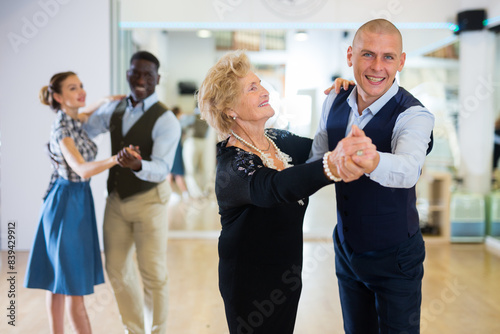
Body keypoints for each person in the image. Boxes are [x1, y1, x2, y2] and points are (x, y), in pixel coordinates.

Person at [196, 51, 365, 334]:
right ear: (230, 108)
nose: (265, 91)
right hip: (249, 283)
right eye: (253, 88)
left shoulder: (278, 139)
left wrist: (346, 101)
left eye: (261, 83)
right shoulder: (232, 164)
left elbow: (326, 147)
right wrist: (331, 167)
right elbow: (274, 187)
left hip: (286, 276)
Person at [309, 19, 435, 333]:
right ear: (350, 55)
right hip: (347, 248)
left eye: (388, 57)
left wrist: (373, 159)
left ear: (401, 61)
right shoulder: (333, 99)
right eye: (367, 54)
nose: (377, 66)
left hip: (396, 257)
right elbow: (316, 158)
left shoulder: (415, 115)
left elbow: (408, 169)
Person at [83, 51, 181, 334]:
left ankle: (157, 331)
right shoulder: (114, 109)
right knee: (115, 268)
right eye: (135, 73)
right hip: (115, 199)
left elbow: (162, 168)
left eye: (148, 75)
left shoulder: (166, 120)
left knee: (153, 274)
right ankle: (135, 329)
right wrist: (99, 103)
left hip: (150, 201)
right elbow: (86, 129)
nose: (140, 80)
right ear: (127, 73)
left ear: (157, 79)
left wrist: (138, 164)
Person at [24, 72, 122, 334]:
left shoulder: (72, 117)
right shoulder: (62, 130)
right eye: (72, 88)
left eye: (81, 86)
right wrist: (116, 159)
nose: (81, 91)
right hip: (65, 205)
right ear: (58, 97)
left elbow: (84, 112)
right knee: (71, 286)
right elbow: (82, 169)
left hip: (74, 201)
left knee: (59, 282)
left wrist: (103, 100)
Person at [167, 106, 190, 201]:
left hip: (174, 150)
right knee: (176, 173)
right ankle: (182, 193)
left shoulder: (172, 123)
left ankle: (177, 194)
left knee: (171, 173)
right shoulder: (175, 123)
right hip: (174, 150)